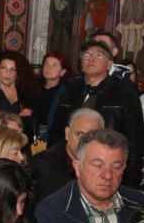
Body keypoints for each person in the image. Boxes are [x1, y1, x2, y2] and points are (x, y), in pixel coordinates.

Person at [48, 40, 144, 187]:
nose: (91, 59)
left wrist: (129, 181)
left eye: (98, 55)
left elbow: (135, 139)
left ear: (109, 64)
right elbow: (56, 131)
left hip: (107, 170)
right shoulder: (71, 89)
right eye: (86, 55)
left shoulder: (124, 91)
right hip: (69, 169)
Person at [29, 109, 104, 204]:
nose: (84, 141)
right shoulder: (40, 167)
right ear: (67, 133)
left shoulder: (109, 169)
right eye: (79, 134)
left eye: (92, 136)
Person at [33, 50, 72, 145]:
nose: (48, 67)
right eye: (46, 64)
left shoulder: (67, 93)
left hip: (56, 141)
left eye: (54, 65)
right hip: (34, 137)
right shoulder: (34, 88)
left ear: (62, 72)